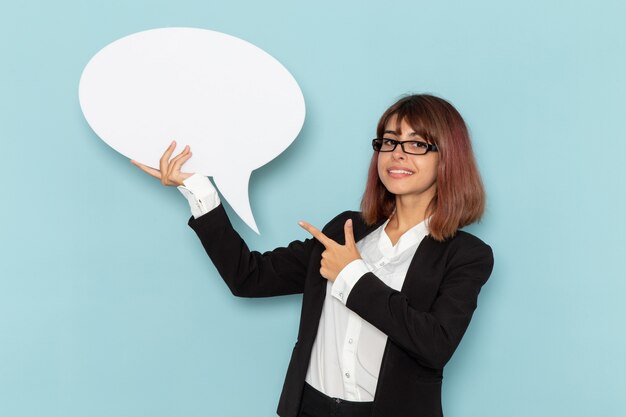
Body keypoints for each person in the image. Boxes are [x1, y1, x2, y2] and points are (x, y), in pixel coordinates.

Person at [132, 94, 494, 417]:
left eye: (417, 144)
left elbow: (435, 345)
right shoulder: (345, 230)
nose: (397, 153)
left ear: (448, 158)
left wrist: (351, 275)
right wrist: (199, 191)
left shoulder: (467, 255)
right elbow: (248, 277)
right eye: (389, 141)